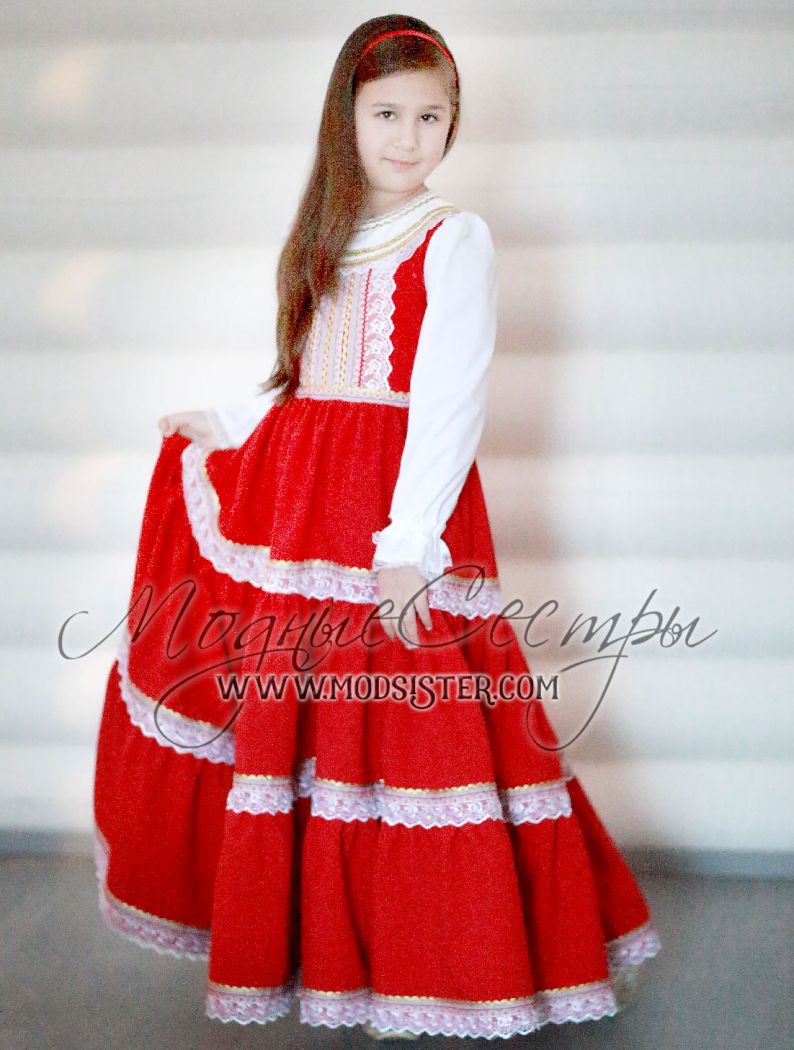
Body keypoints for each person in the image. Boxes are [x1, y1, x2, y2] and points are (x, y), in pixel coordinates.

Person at [90, 13, 661, 1042]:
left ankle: (450, 959)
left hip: (397, 507)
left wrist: (409, 545)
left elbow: (449, 398)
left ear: (454, 122)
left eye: (429, 116)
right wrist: (225, 423)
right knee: (311, 720)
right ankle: (328, 954)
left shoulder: (454, 237)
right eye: (386, 114)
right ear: (344, 121)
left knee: (417, 720)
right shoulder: (330, 231)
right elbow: (303, 380)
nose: (407, 137)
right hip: (307, 502)